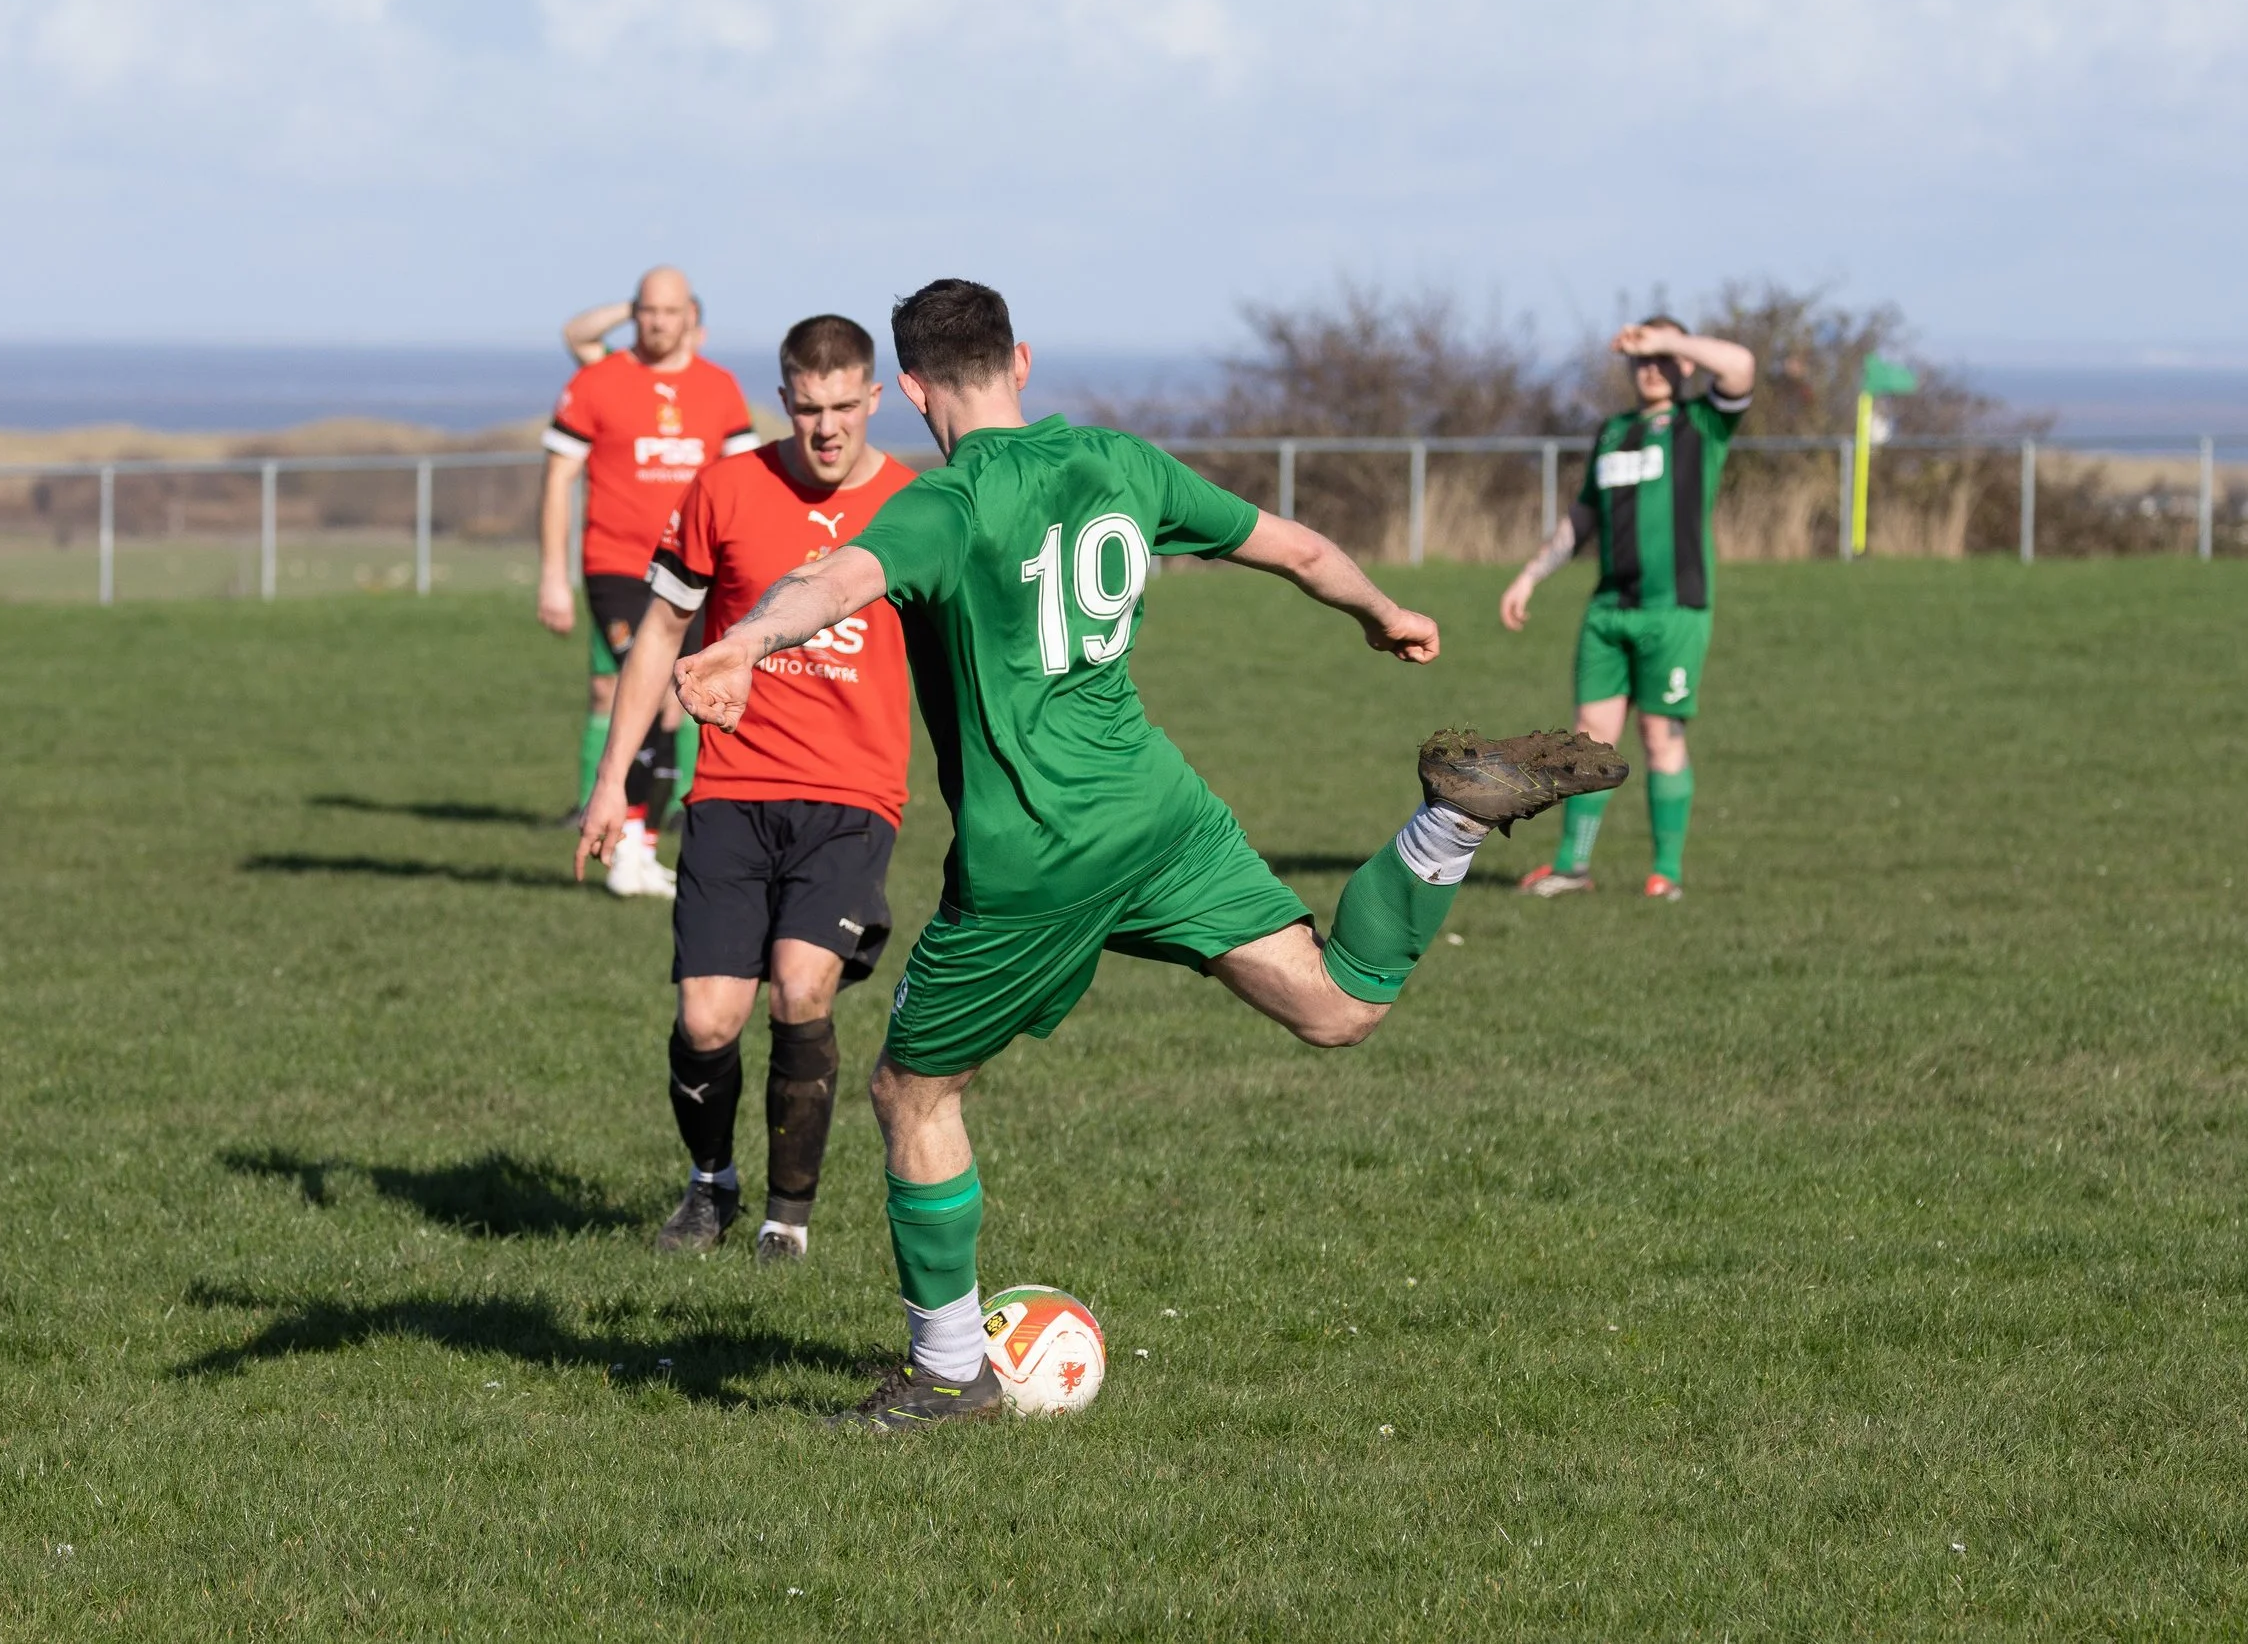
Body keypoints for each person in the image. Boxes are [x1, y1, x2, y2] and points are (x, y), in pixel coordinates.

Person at [673, 280, 1625, 1428]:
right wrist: (1380, 613)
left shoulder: (949, 502)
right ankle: (1452, 822)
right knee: (1337, 1006)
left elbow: (835, 580)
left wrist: (741, 641)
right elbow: (1300, 546)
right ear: (1021, 360)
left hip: (1034, 852)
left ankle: (946, 1372)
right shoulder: (1125, 464)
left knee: (911, 1091)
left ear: (913, 389)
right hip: (1158, 812)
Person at [576, 315, 918, 1262]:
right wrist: (614, 789)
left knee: (802, 988)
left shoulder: (916, 508)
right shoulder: (725, 489)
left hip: (852, 796)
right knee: (707, 1016)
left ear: (875, 399)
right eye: (808, 408)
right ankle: (711, 1185)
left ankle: (788, 1218)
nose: (826, 428)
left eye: (845, 406)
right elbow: (657, 636)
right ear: (783, 402)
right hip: (730, 788)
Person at [1500, 316, 1756, 902]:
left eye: (1661, 356)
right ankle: (1572, 866)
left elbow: (1741, 366)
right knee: (1589, 739)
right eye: (1639, 359)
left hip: (1674, 611)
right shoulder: (1613, 431)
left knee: (1660, 735)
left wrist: (1665, 339)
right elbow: (1582, 517)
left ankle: (1665, 874)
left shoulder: (1701, 424)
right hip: (1609, 610)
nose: (1651, 368)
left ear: (1684, 361)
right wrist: (1529, 576)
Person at [537, 266, 759, 897]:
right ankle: (619, 840)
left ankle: (643, 844)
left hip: (692, 570)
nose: (658, 322)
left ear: (692, 316)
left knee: (672, 703)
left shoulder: (719, 388)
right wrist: (553, 577)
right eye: (648, 311)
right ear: (637, 312)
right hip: (617, 569)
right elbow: (557, 479)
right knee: (635, 689)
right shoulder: (597, 379)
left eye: (670, 311)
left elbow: (743, 483)